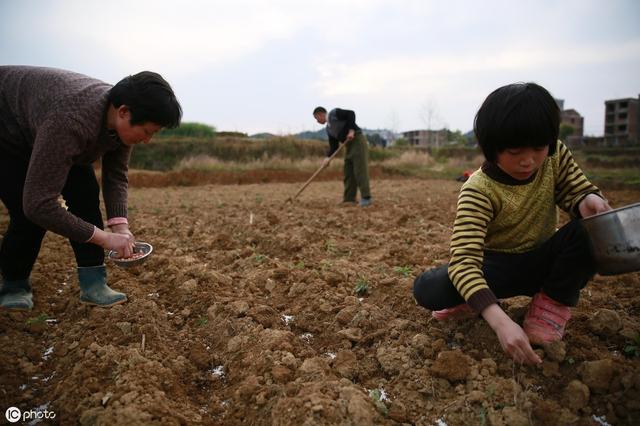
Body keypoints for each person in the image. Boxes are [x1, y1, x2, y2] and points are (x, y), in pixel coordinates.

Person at [412, 82, 611, 365]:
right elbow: (465, 261)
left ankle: (551, 305)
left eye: (538, 148)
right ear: (491, 147)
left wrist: (587, 200)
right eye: (515, 152)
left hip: (546, 263)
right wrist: (500, 321)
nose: (528, 161)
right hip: (496, 270)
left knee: (588, 231)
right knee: (428, 288)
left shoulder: (555, 156)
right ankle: (475, 301)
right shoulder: (477, 189)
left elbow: (574, 188)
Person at [0, 66, 182, 310]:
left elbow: (116, 175)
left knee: (85, 195)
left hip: (49, 129)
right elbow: (38, 205)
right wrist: (105, 239)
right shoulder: (70, 121)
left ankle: (94, 283)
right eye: (147, 132)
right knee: (27, 215)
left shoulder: (120, 120)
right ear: (124, 112)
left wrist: (121, 226)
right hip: (8, 132)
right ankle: (14, 284)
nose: (147, 140)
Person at [312, 106, 372, 207]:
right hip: (348, 146)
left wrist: (351, 130)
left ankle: (366, 198)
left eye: (316, 118)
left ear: (320, 114)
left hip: (357, 141)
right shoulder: (329, 129)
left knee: (359, 170)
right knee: (348, 171)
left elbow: (351, 113)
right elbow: (334, 146)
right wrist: (328, 158)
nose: (317, 121)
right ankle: (349, 199)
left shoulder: (334, 113)